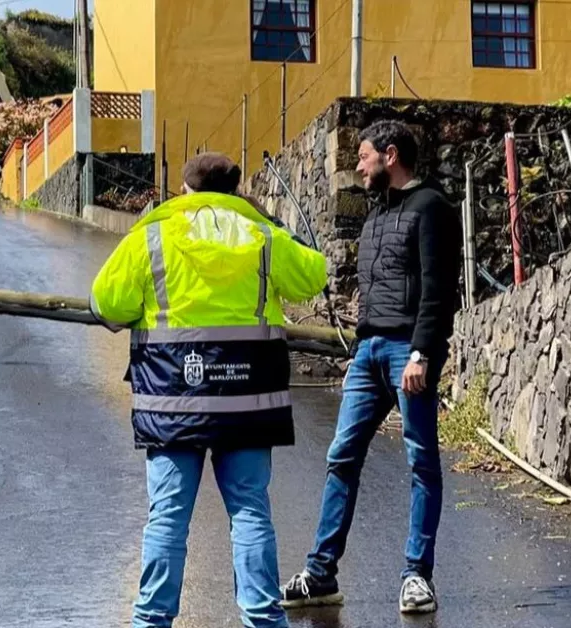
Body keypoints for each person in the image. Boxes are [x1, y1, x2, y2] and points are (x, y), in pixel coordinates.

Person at [90, 153, 329, 628]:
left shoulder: (153, 236)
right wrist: (279, 225)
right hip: (248, 404)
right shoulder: (262, 236)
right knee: (250, 513)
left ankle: (151, 621)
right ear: (235, 192)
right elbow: (313, 276)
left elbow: (107, 303)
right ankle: (263, 619)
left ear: (184, 190)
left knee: (168, 518)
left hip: (171, 403)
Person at [280, 120, 461, 614]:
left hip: (409, 351)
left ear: (391, 155)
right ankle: (320, 574)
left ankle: (416, 576)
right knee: (341, 457)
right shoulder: (376, 215)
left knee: (421, 462)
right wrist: (360, 348)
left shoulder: (432, 209)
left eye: (363, 157)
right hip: (368, 351)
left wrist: (423, 352)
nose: (357, 166)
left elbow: (439, 289)